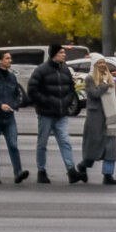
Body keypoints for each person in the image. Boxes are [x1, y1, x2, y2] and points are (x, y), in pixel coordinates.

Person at [27, 44, 82, 184]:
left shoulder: (65, 70)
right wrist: (47, 101)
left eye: (64, 52)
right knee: (42, 143)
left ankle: (71, 171)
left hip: (61, 114)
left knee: (65, 141)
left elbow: (71, 88)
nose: (64, 54)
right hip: (46, 113)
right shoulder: (41, 70)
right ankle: (41, 171)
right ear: (54, 54)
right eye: (61, 52)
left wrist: (67, 101)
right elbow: (32, 90)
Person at [0, 50, 29, 184]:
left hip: (9, 118)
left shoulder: (12, 77)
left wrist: (14, 105)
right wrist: (0, 105)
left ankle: (18, 173)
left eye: (10, 58)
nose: (10, 60)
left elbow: (16, 94)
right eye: (7, 58)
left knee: (13, 144)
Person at [82, 56, 116, 186]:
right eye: (99, 63)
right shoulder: (89, 79)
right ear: (94, 65)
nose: (102, 65)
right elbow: (94, 94)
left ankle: (108, 175)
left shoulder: (110, 78)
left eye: (103, 62)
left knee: (110, 146)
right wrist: (104, 84)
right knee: (94, 146)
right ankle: (83, 166)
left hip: (110, 117)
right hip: (95, 117)